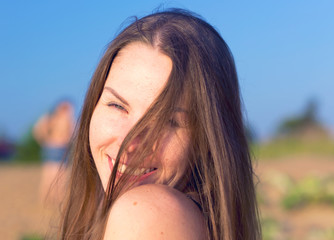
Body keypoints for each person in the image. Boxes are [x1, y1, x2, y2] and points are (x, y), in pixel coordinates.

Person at [59, 9, 261, 240]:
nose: (129, 143)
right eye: (117, 106)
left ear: (206, 140)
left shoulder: (147, 215)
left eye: (167, 122)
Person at [33, 100, 75, 205]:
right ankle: (58, 199)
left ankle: (45, 198)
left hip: (49, 147)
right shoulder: (65, 118)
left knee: (48, 174)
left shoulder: (51, 117)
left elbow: (37, 130)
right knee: (61, 175)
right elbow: (74, 132)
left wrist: (44, 140)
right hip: (60, 147)